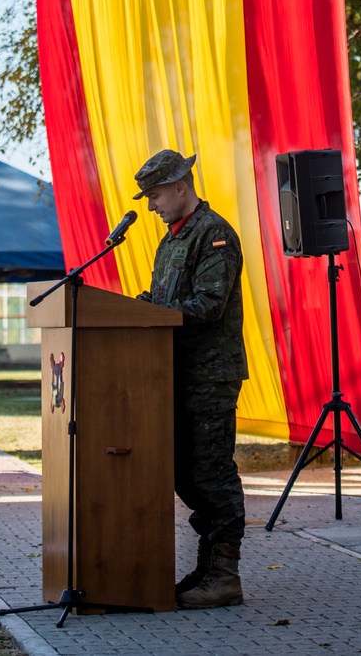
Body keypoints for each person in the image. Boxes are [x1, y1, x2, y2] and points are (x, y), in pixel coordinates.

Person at [133, 148, 246, 609]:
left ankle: (224, 574)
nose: (152, 205)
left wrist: (152, 313)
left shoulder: (214, 235)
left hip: (210, 377)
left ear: (181, 187)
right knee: (180, 471)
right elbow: (166, 299)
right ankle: (206, 567)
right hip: (173, 376)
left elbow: (208, 306)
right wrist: (136, 309)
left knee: (212, 473)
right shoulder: (170, 240)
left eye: (156, 195)